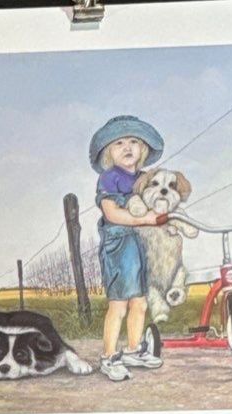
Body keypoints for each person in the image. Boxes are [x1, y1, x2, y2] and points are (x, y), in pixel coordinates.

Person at [89, 115, 172, 382]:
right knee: (119, 303)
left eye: (133, 141)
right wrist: (145, 219)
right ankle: (109, 356)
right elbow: (112, 213)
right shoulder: (109, 178)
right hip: (119, 245)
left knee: (140, 301)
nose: (127, 147)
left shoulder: (145, 179)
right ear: (108, 153)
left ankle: (134, 349)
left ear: (143, 148)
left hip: (141, 243)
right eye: (119, 143)